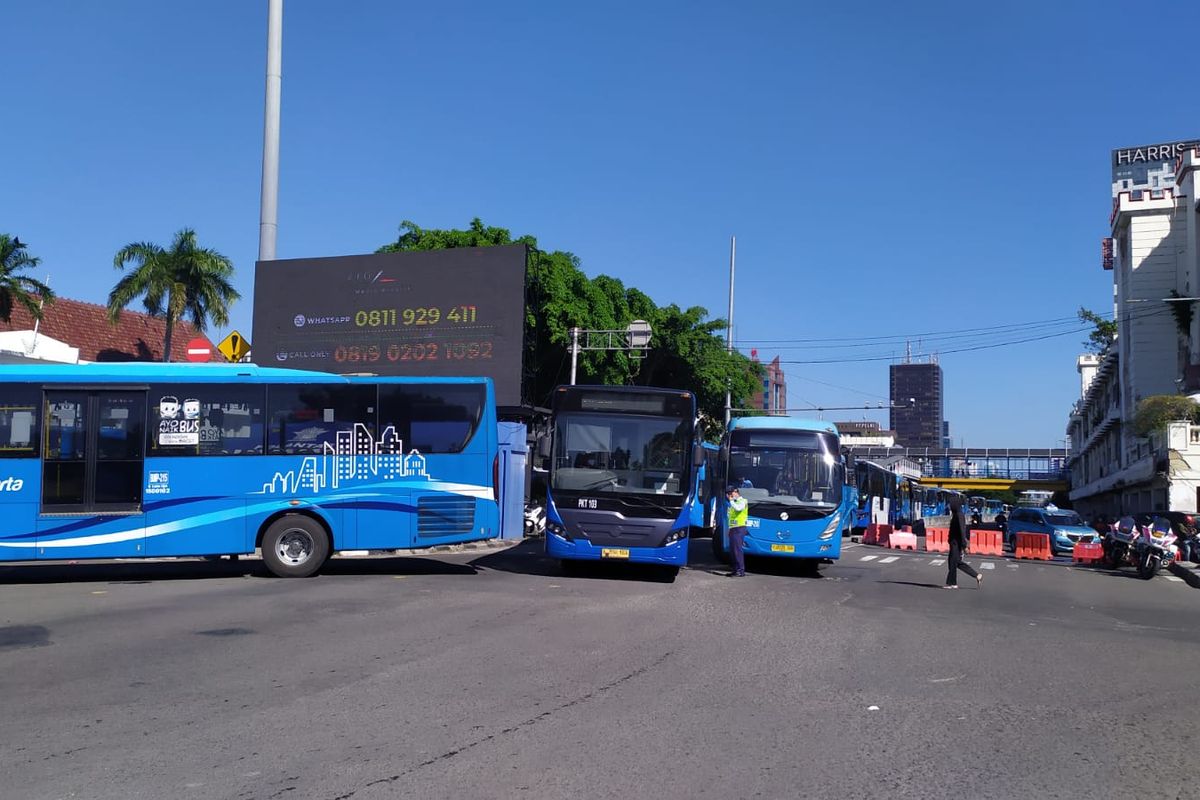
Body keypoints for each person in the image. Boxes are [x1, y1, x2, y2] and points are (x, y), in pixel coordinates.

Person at [945, 497, 981, 589]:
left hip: (957, 542)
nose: (949, 506)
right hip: (954, 542)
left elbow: (962, 531)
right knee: (953, 562)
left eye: (951, 504)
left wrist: (964, 545)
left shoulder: (959, 515)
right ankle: (976, 576)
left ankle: (952, 583)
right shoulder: (956, 514)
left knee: (954, 562)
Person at [726, 485, 749, 577]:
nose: (729, 496)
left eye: (730, 494)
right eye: (728, 494)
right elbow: (730, 517)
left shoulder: (743, 501)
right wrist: (729, 529)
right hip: (733, 529)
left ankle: (740, 570)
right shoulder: (733, 503)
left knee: (737, 550)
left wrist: (731, 500)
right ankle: (735, 569)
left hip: (739, 528)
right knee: (732, 550)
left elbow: (738, 509)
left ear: (736, 492)